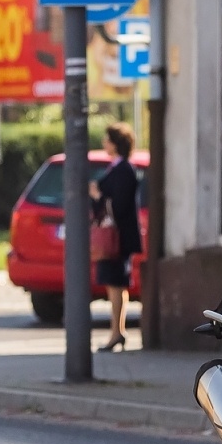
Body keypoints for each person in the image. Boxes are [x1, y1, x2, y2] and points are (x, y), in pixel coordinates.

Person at [89, 122, 142, 351]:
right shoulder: (118, 168)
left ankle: (115, 333)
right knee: (118, 285)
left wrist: (97, 195)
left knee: (115, 285)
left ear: (116, 143)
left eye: (107, 139)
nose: (104, 143)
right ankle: (118, 331)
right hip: (118, 237)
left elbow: (118, 205)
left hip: (116, 239)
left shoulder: (123, 170)